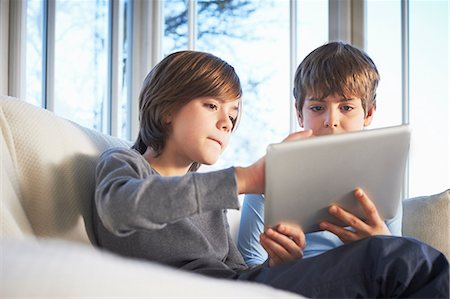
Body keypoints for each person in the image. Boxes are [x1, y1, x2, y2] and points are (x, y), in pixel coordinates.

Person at [93, 50, 449, 298]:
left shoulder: (211, 203)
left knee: (402, 261)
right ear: (167, 108)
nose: (226, 122)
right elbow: (120, 210)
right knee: (402, 260)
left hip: (239, 288)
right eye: (213, 106)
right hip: (213, 292)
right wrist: (246, 178)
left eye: (233, 114)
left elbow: (238, 271)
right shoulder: (125, 163)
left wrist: (280, 264)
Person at [237, 41, 402, 266]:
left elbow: (398, 272)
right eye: (317, 108)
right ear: (299, 113)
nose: (331, 121)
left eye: (346, 107)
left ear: (368, 113)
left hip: (366, 282)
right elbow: (248, 261)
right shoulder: (269, 177)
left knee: (417, 258)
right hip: (299, 281)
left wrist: (384, 244)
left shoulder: (382, 182)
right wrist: (277, 264)